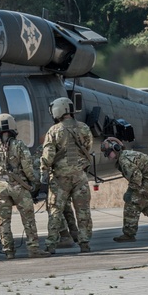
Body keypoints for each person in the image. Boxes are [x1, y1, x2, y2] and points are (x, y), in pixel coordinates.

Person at [0, 113, 48, 259]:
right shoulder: (19, 146)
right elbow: (28, 168)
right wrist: (33, 183)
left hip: (1, 188)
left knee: (4, 221)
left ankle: (9, 251)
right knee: (28, 219)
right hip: (19, 188)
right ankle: (34, 249)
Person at [41, 97, 94, 252]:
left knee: (55, 211)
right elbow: (88, 148)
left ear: (57, 111)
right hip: (80, 176)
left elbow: (48, 155)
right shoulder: (84, 128)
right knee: (83, 211)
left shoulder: (54, 131)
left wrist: (44, 173)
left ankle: (51, 244)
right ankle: (84, 243)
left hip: (60, 178)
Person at [102, 137, 148, 242]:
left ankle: (129, 234)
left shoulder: (124, 160)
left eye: (108, 153)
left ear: (116, 148)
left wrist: (129, 192)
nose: (107, 156)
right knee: (144, 205)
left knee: (132, 203)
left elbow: (136, 178)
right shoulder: (125, 155)